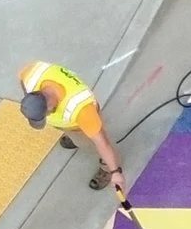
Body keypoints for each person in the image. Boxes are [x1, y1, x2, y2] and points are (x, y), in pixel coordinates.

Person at [18, 60, 121, 191]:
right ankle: (73, 138)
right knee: (71, 133)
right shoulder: (32, 75)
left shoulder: (81, 110)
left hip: (78, 127)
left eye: (45, 114)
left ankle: (106, 166)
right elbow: (22, 76)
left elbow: (102, 143)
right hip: (67, 123)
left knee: (89, 142)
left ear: (49, 105)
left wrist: (115, 172)